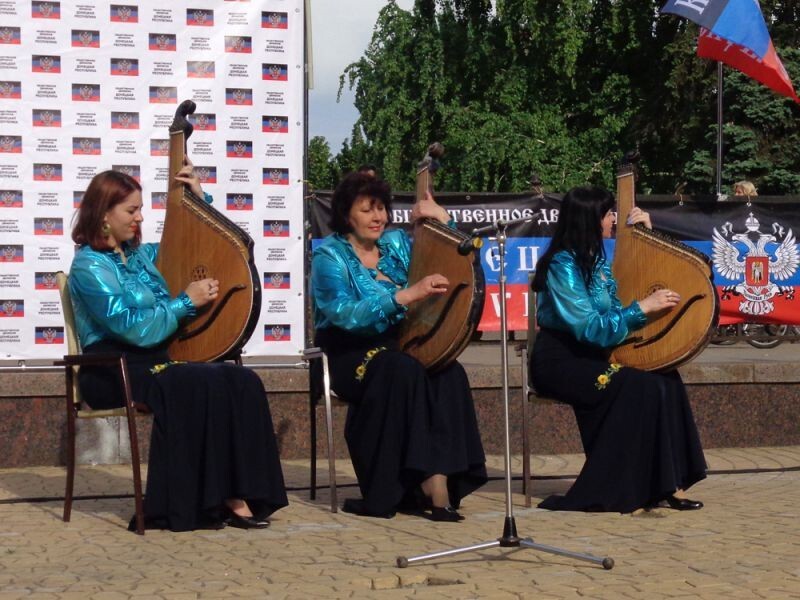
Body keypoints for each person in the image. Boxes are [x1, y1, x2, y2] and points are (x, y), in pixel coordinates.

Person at [68, 167, 288, 531]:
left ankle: (242, 492)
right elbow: (130, 327)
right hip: (111, 366)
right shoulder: (88, 266)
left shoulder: (140, 256)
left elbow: (191, 242)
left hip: (154, 360)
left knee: (240, 379)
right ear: (104, 214)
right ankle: (196, 505)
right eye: (131, 210)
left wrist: (199, 201)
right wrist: (185, 302)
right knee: (190, 383)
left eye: (140, 209)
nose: (141, 217)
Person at [311, 171, 487, 521]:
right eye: (367, 210)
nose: (378, 217)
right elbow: (345, 314)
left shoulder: (395, 244)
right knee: (399, 367)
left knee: (447, 370)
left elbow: (449, 262)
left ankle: (440, 481)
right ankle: (390, 488)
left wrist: (444, 220)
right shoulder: (329, 256)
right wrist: (405, 295)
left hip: (398, 344)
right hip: (346, 349)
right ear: (347, 214)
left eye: (381, 209)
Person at [530, 186, 707, 513]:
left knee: (666, 375)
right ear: (591, 219)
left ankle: (672, 482)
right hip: (562, 360)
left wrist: (646, 237)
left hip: (595, 353)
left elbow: (618, 307)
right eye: (609, 214)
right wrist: (642, 308)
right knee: (637, 385)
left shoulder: (595, 259)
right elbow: (588, 327)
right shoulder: (562, 265)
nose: (614, 219)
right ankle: (620, 487)